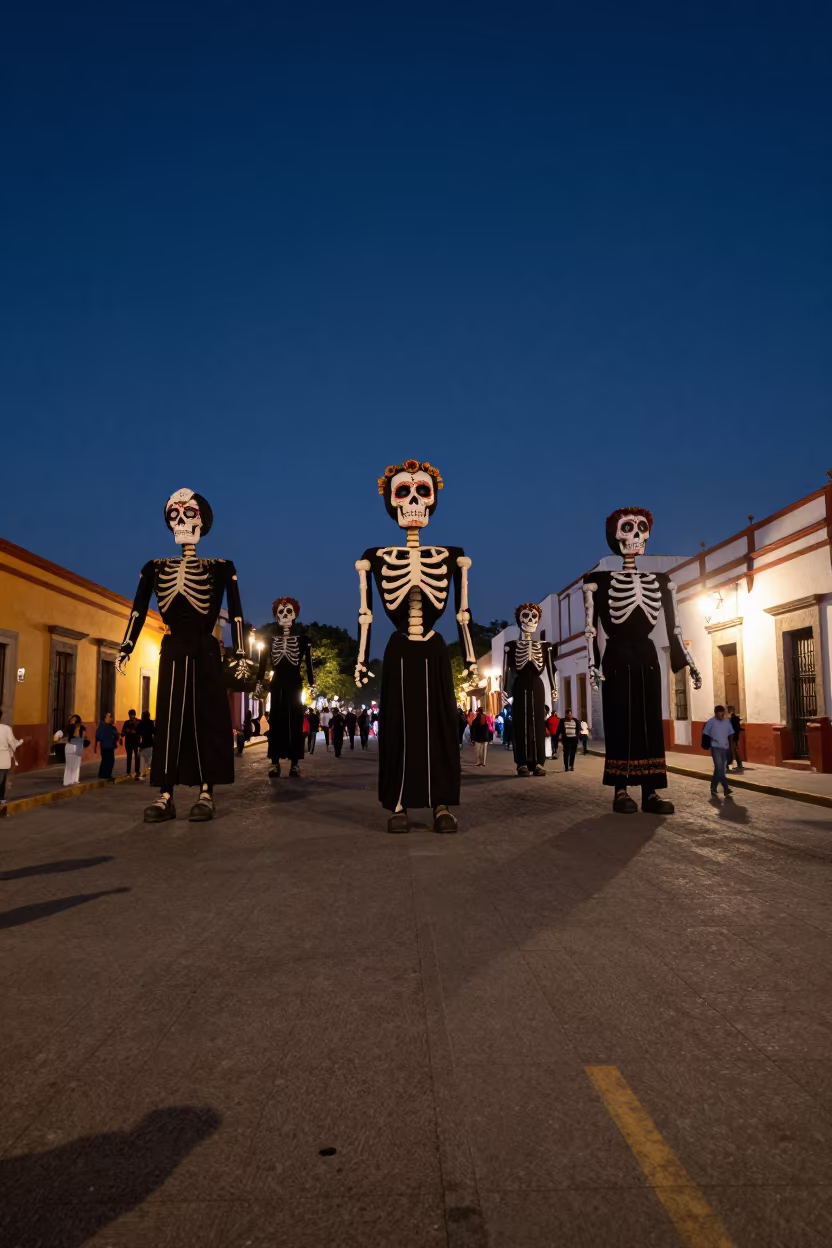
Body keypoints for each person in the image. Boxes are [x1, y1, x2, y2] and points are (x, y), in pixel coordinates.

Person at [116, 486, 252, 823]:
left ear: (202, 521)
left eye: (187, 513)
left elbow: (235, 613)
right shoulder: (154, 568)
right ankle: (166, 793)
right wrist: (126, 646)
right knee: (170, 717)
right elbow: (136, 610)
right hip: (173, 647)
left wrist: (243, 654)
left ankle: (206, 791)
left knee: (207, 717)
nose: (180, 519)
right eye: (173, 514)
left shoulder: (221, 567)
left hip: (206, 648)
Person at [502, 602, 559, 778]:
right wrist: (503, 689)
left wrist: (554, 688)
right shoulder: (511, 646)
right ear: (519, 620)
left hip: (537, 684)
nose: (530, 620)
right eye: (526, 616)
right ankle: (521, 763)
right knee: (520, 723)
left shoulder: (545, 646)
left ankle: (539, 762)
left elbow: (550, 668)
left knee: (538, 724)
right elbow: (506, 670)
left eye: (534, 616)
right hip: (519, 685)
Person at [702, 705, 734, 798]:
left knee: (719, 769)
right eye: (719, 712)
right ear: (716, 713)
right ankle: (726, 788)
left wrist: (731, 748)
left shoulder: (727, 722)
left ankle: (713, 786)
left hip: (725, 748)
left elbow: (731, 734)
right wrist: (707, 744)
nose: (721, 714)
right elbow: (705, 733)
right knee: (720, 769)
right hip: (715, 748)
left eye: (722, 712)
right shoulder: (711, 722)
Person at [0, 711, 24, 804]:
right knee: (2, 779)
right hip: (3, 757)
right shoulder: (6, 729)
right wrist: (20, 742)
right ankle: (1, 797)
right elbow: (12, 744)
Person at [62, 715, 88, 786]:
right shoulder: (68, 728)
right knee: (69, 764)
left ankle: (75, 779)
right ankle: (67, 781)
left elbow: (84, 736)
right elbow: (65, 737)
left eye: (74, 720)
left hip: (78, 745)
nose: (73, 721)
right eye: (72, 719)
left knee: (77, 763)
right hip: (70, 746)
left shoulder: (81, 727)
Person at [95, 712, 120, 781]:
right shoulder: (102, 726)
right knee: (106, 760)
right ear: (104, 718)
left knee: (111, 760)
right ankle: (104, 774)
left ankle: (107, 774)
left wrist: (115, 738)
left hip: (111, 746)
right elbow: (98, 735)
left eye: (110, 717)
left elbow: (116, 735)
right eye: (107, 717)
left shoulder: (112, 727)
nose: (109, 718)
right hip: (105, 746)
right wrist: (105, 739)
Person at [122, 709, 142, 779]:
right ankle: (128, 772)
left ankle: (137, 771)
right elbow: (123, 732)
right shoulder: (126, 723)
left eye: (132, 715)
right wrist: (125, 733)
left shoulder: (139, 722)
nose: (131, 716)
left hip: (136, 742)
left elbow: (141, 732)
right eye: (130, 715)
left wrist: (135, 732)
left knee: (137, 757)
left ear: (134, 715)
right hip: (128, 743)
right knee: (129, 757)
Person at [726, 705, 744, 772]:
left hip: (732, 737)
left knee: (731, 750)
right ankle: (739, 763)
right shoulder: (733, 718)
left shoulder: (732, 718)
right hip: (733, 736)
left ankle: (728, 764)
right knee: (734, 750)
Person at [138, 710, 155, 777]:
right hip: (150, 743)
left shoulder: (141, 723)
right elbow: (153, 731)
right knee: (149, 758)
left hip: (144, 743)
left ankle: (141, 772)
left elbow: (138, 731)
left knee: (142, 757)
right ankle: (150, 770)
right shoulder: (151, 722)